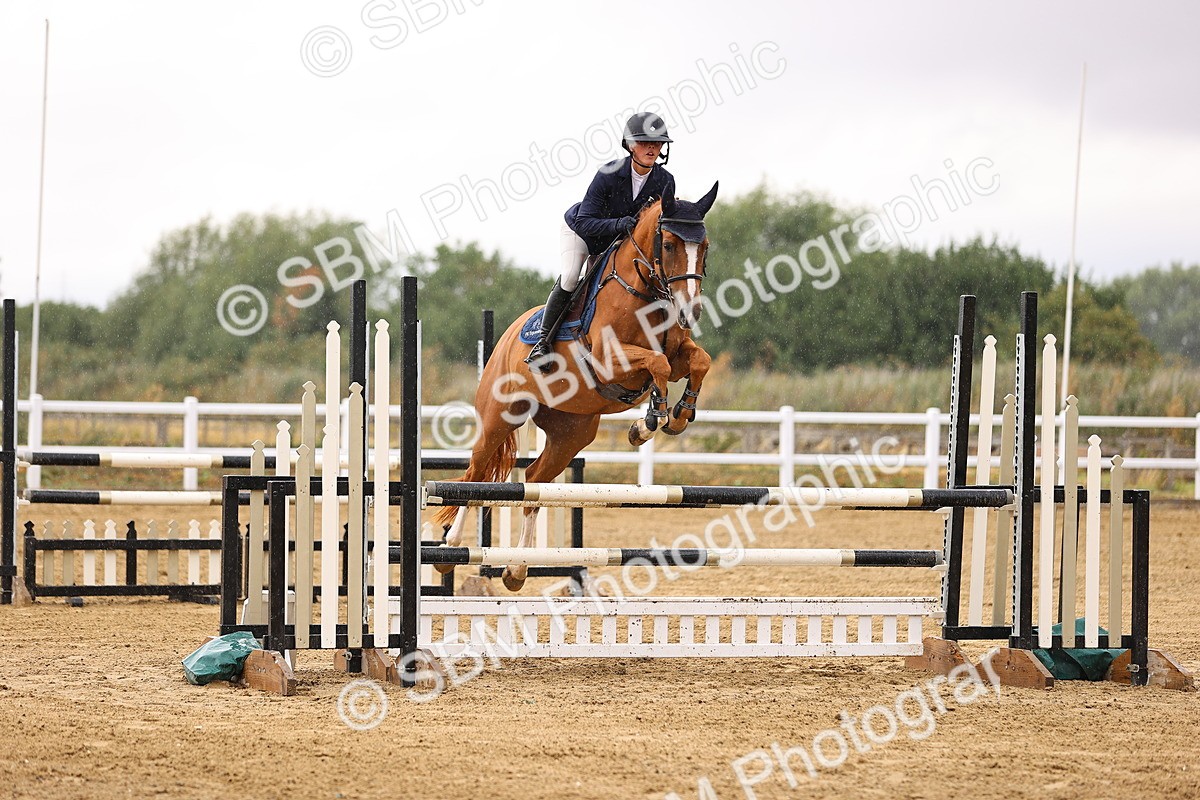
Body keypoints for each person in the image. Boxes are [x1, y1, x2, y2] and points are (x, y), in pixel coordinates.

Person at [524, 111, 676, 372]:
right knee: (572, 275)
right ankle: (543, 342)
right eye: (644, 142)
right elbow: (585, 221)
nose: (651, 148)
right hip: (582, 232)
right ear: (630, 145)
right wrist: (620, 223)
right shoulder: (609, 173)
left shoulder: (665, 181)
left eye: (657, 143)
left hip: (622, 242)